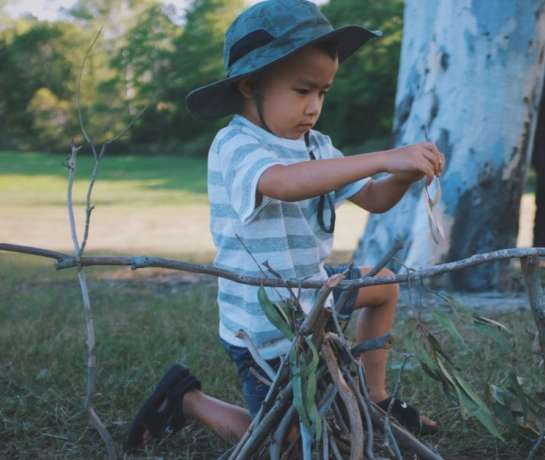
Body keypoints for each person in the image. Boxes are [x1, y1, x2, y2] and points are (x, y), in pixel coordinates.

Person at [126, 0, 444, 450]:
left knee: (384, 284)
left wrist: (403, 175)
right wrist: (380, 156)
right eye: (302, 91)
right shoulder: (236, 144)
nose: (314, 107)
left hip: (314, 296)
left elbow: (374, 199)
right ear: (250, 85)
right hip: (262, 324)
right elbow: (284, 183)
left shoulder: (318, 146)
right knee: (287, 442)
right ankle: (186, 399)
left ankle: (376, 398)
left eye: (323, 93)